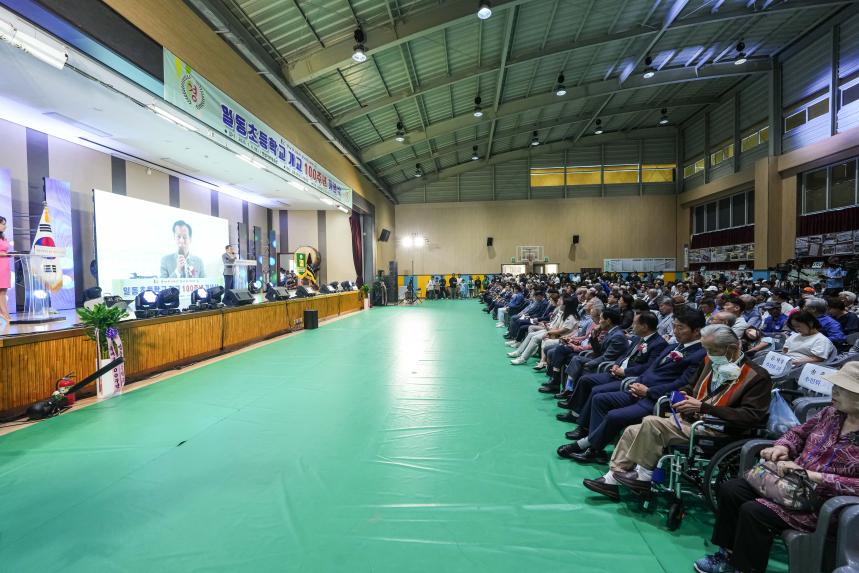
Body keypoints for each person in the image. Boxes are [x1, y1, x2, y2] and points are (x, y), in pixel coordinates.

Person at [693, 362, 859, 573]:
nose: (833, 391)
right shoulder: (831, 413)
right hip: (793, 486)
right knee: (731, 489)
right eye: (835, 386)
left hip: (826, 505)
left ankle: (744, 569)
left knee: (754, 511)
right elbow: (797, 433)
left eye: (842, 389)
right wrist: (782, 447)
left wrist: (814, 476)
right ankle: (727, 554)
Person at [582, 324, 771, 502]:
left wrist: (703, 408)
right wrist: (685, 394)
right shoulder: (709, 362)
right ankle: (612, 479)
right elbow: (691, 386)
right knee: (632, 430)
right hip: (689, 419)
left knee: (651, 422)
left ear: (731, 348)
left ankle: (644, 476)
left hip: (718, 428)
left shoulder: (757, 376)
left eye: (713, 350)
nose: (709, 355)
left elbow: (751, 416)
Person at [0, 215, 10, 323]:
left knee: (3, 291)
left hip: (5, 266)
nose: (5, 226)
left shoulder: (3, 237)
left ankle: (4, 313)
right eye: (3, 224)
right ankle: (5, 315)